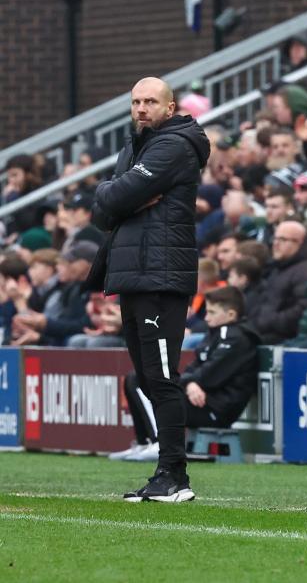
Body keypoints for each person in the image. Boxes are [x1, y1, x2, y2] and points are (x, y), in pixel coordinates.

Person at [92, 76, 210, 503]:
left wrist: (116, 195)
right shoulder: (135, 147)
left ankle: (175, 476)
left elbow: (119, 195)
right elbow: (103, 210)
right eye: (136, 101)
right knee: (147, 376)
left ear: (170, 107)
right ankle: (165, 474)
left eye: (150, 102)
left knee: (161, 376)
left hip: (160, 274)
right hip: (134, 273)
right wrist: (114, 195)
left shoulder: (173, 145)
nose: (141, 109)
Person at [111, 286, 260, 463]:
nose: (206, 317)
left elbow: (213, 372)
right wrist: (190, 383)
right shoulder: (216, 334)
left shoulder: (236, 338)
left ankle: (160, 442)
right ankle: (144, 442)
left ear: (230, 315)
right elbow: (193, 368)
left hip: (215, 408)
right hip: (200, 399)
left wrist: (191, 382)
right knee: (135, 379)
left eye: (212, 312)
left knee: (144, 383)